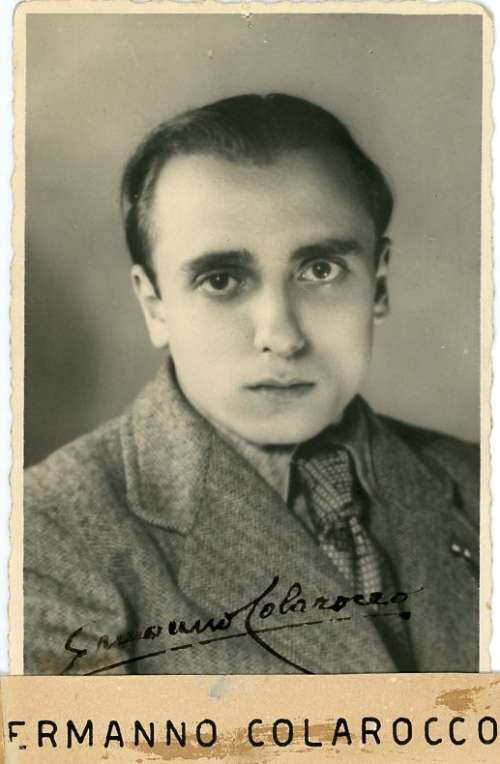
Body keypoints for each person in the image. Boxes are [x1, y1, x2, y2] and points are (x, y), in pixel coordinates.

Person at [24, 93, 479, 676]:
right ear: (154, 305)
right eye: (221, 280)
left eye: (321, 270)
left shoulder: (478, 484)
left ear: (379, 284)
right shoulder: (43, 536)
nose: (282, 337)